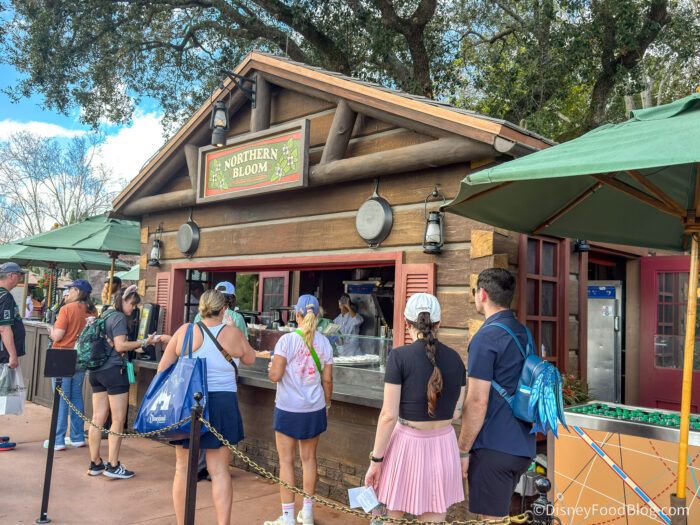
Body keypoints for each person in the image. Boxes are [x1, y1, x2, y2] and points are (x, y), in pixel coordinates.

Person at [364, 293, 466, 522]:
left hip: (406, 445)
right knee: (433, 515)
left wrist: (376, 460)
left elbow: (388, 415)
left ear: (406, 322)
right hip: (444, 445)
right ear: (438, 324)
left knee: (389, 515)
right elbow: (456, 412)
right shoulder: (456, 359)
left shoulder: (399, 357)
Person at [159, 289, 256, 525]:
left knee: (183, 469)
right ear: (224, 309)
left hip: (189, 403)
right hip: (222, 403)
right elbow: (250, 358)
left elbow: (162, 368)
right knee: (220, 470)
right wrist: (230, 326)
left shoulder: (185, 331)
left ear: (201, 308)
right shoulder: (232, 332)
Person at [457, 268, 536, 519]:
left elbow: (477, 401)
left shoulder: (486, 337)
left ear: (482, 294)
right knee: (499, 517)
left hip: (493, 447)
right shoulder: (524, 333)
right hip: (522, 444)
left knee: (490, 520)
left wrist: (462, 450)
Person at [264, 295, 333, 525]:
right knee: (309, 459)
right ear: (318, 315)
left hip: (288, 408)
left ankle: (288, 518)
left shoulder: (286, 341)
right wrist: (327, 404)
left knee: (286, 462)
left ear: (297, 315)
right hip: (314, 408)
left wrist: (271, 368)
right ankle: (308, 514)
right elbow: (328, 380)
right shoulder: (325, 343)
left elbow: (275, 376)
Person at [87, 285, 157, 479]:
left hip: (96, 371)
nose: (134, 308)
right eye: (132, 304)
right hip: (114, 372)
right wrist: (145, 342)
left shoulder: (105, 314)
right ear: (123, 300)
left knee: (97, 418)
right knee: (117, 420)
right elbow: (120, 346)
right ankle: (113, 465)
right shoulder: (118, 317)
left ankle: (95, 463)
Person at [192, 280, 249, 481]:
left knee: (198, 430)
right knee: (218, 435)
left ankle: (199, 467)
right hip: (225, 387)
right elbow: (246, 352)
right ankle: (212, 470)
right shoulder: (236, 318)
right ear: (229, 301)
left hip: (197, 387)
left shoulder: (197, 320)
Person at [44, 280, 97, 451]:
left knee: (61, 398)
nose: (68, 293)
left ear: (78, 291)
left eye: (71, 290)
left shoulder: (67, 309)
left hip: (62, 355)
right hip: (81, 356)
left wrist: (51, 330)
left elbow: (58, 336)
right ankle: (77, 437)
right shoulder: (92, 310)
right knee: (76, 396)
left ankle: (58, 439)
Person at [0, 262, 28, 452]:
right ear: (11, 275)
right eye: (19, 275)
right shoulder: (5, 297)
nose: (20, 278)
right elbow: (4, 328)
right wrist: (12, 355)